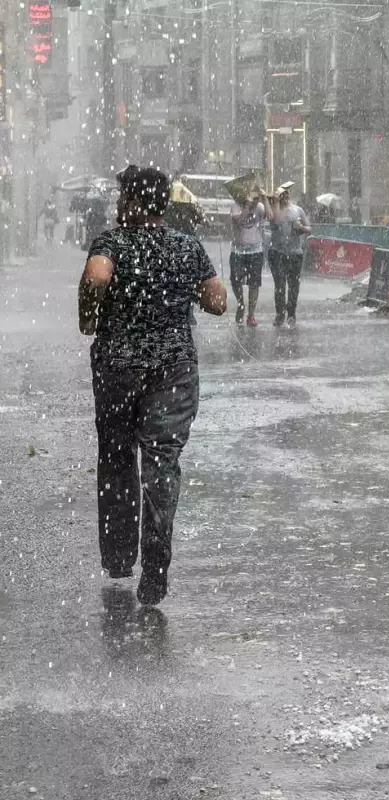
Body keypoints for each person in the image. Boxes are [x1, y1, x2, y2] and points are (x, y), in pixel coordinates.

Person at [77, 166, 227, 606]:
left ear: (132, 202)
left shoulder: (111, 241)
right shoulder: (186, 246)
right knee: (162, 464)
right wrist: (184, 288)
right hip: (174, 371)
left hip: (118, 370)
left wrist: (89, 313)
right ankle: (156, 558)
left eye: (123, 198)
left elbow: (98, 276)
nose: (118, 206)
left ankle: (121, 554)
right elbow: (218, 301)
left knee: (118, 456)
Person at [266, 184, 311, 327]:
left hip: (294, 253)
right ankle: (280, 314)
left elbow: (309, 228)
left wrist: (302, 228)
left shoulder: (298, 210)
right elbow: (276, 220)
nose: (285, 197)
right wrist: (275, 202)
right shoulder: (274, 210)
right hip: (278, 253)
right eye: (282, 195)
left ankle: (291, 313)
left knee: (293, 285)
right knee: (279, 285)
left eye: (287, 194)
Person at [229, 190, 267, 326]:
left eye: (257, 199)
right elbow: (239, 221)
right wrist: (246, 206)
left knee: (254, 283)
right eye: (253, 198)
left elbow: (272, 216)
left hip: (256, 251)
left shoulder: (260, 207)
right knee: (235, 280)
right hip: (238, 250)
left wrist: (265, 200)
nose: (255, 201)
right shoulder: (236, 206)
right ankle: (240, 304)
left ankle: (251, 315)